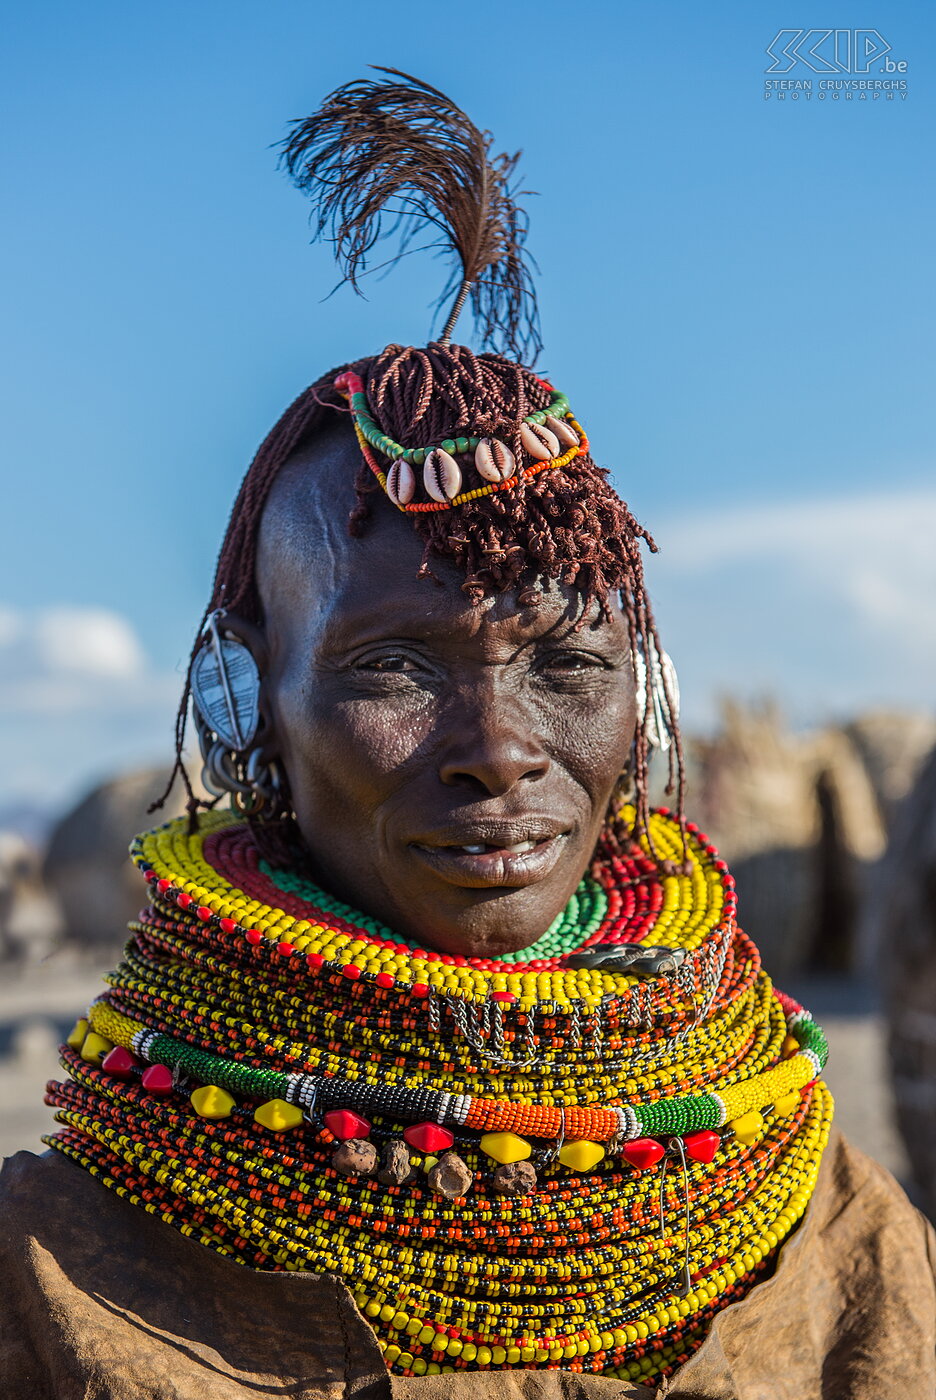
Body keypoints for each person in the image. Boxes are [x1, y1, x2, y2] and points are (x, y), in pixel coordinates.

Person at [1, 70, 933, 1400]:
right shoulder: (58, 1271)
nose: (498, 748)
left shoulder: (820, 1213)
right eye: (392, 664)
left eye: (567, 662)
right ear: (250, 695)